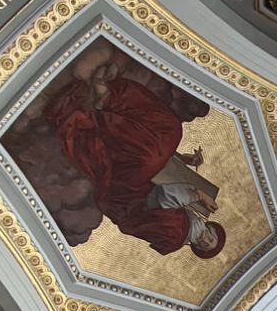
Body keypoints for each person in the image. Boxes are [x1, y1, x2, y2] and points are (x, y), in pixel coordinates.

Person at [43, 46, 227, 259]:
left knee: (151, 153)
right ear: (211, 228)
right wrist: (181, 159)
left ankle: (105, 103)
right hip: (135, 192)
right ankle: (109, 96)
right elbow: (162, 187)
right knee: (170, 130)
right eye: (212, 238)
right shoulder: (185, 224)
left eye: (206, 245)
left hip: (125, 195)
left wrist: (199, 195)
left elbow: (162, 197)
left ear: (197, 248)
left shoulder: (175, 236)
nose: (206, 240)